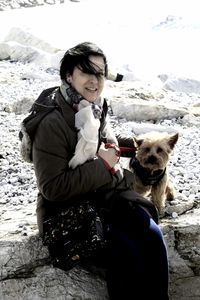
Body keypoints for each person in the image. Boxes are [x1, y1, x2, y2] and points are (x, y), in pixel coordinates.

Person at [27, 42, 169, 299]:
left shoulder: (94, 107)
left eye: (100, 73)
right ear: (69, 75)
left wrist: (146, 146)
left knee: (152, 236)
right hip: (69, 211)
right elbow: (52, 188)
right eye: (86, 72)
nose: (94, 81)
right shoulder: (52, 122)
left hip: (103, 197)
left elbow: (108, 142)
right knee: (126, 251)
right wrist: (103, 164)